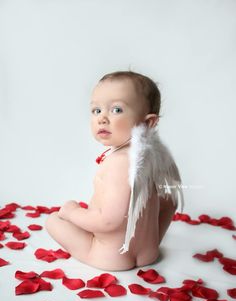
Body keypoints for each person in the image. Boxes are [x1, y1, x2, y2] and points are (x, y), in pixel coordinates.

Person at [45, 70, 183, 271]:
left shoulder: (119, 162)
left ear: (147, 123)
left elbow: (109, 221)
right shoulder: (154, 158)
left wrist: (73, 212)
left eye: (116, 110)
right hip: (148, 253)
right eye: (96, 110)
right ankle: (144, 249)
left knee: (53, 221)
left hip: (110, 255)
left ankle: (100, 248)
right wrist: (153, 239)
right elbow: (170, 202)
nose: (102, 118)